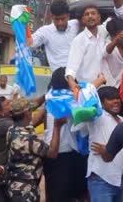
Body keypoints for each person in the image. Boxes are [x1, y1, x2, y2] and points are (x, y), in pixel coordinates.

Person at [42, 67, 89, 202]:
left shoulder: (51, 96)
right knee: (61, 195)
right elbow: (87, 96)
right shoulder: (65, 99)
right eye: (72, 80)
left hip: (67, 153)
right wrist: (100, 79)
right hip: (60, 155)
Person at [5, 97, 64, 201]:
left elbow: (33, 123)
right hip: (25, 189)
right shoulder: (27, 138)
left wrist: (47, 105)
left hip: (16, 184)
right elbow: (52, 153)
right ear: (27, 113)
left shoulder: (12, 129)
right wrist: (57, 127)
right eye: (30, 110)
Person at [79, 87, 123, 202]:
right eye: (110, 99)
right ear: (101, 102)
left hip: (120, 179)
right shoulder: (97, 117)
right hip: (101, 179)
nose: (116, 101)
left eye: (117, 98)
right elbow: (82, 104)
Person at [66, 5, 109, 90]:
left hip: (105, 87)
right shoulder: (79, 40)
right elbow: (72, 66)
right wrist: (71, 82)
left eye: (93, 13)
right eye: (87, 14)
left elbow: (112, 19)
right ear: (83, 20)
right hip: (87, 88)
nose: (90, 16)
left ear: (99, 17)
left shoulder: (103, 31)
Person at [30, 0, 80, 72]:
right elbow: (29, 43)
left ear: (68, 16)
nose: (60, 23)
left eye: (63, 19)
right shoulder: (45, 32)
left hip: (77, 76)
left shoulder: (76, 24)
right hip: (58, 78)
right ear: (52, 17)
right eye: (57, 19)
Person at [103, 17, 123, 88]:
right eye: (122, 34)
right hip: (112, 86)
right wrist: (116, 41)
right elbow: (105, 52)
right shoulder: (107, 44)